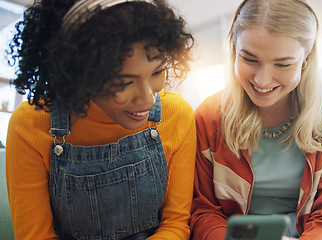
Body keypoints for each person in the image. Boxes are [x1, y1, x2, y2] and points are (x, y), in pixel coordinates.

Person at [6, 0, 196, 239]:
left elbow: (176, 225)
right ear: (80, 73)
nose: (148, 99)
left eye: (157, 72)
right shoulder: (30, 125)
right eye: (125, 82)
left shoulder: (177, 115)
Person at [190, 0, 322, 239]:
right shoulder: (209, 118)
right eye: (249, 59)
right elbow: (204, 210)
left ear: (306, 59)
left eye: (283, 64)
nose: (262, 81)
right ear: (234, 50)